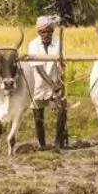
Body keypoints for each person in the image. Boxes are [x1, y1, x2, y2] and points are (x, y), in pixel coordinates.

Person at [26, 14, 68, 149]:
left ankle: (58, 142)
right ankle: (42, 145)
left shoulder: (58, 43)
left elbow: (61, 64)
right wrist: (52, 84)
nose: (47, 34)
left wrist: (59, 83)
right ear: (39, 32)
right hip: (37, 84)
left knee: (62, 110)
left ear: (53, 31)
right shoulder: (33, 45)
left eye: (50, 31)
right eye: (43, 31)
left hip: (56, 82)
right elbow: (38, 67)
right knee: (38, 117)